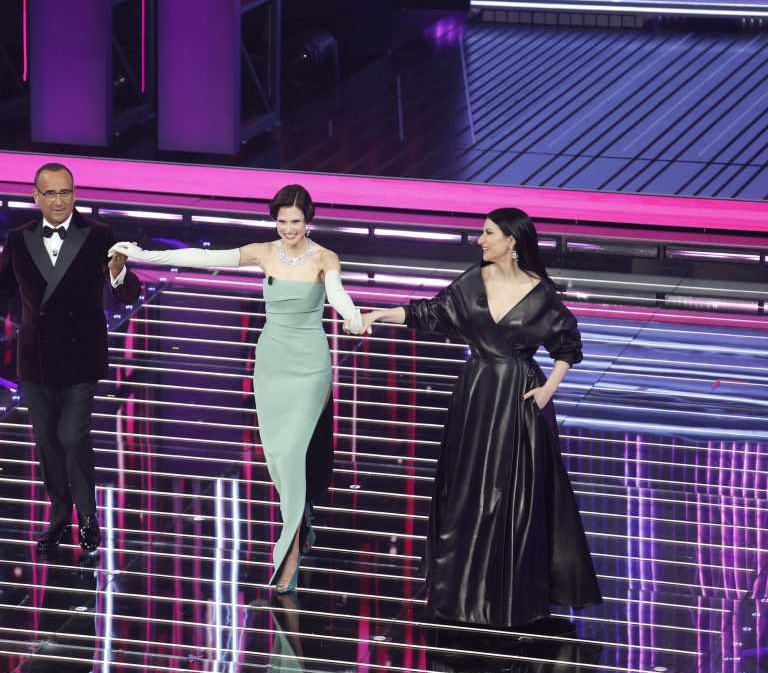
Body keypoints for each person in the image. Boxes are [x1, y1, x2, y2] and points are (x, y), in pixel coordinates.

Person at [108, 184, 365, 593]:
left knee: (292, 453)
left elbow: (337, 294)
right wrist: (143, 254)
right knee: (277, 457)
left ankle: (288, 555)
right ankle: (302, 519)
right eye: (282, 221)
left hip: (310, 367)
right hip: (272, 363)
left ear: (308, 221)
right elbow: (203, 257)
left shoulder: (324, 257)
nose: (288, 229)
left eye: (296, 221)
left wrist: (352, 316)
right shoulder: (263, 252)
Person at [362, 207, 601, 626]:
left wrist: (549, 388)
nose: (480, 240)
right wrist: (381, 314)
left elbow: (567, 343)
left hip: (519, 399)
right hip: (476, 395)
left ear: (512, 240)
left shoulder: (539, 292)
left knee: (511, 496)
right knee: (468, 490)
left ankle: (510, 593)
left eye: (488, 233)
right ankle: (462, 589)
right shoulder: (473, 281)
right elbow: (431, 312)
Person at [0, 162, 141, 552]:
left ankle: (87, 516)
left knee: (72, 434)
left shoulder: (99, 234)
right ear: (36, 196)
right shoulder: (19, 238)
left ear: (75, 193)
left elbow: (128, 293)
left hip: (81, 354)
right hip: (36, 357)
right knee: (48, 442)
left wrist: (118, 274)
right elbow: (1, 287)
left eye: (66, 192)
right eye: (51, 193)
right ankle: (59, 515)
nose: (59, 201)